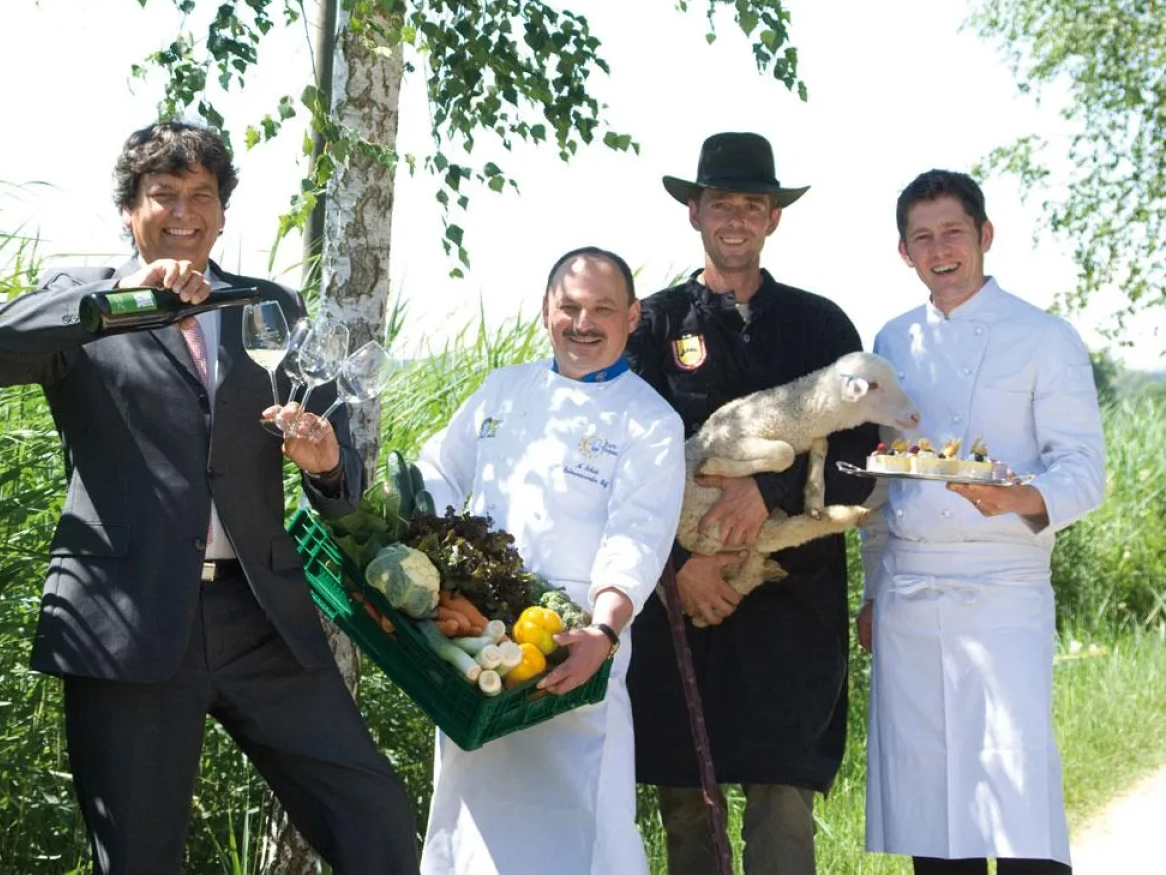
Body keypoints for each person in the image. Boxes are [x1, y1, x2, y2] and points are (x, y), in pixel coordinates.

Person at [0, 121, 419, 875]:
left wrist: (327, 461)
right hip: (130, 619)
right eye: (163, 195)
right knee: (141, 859)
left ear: (222, 211)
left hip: (260, 618)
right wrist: (115, 298)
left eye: (201, 195)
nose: (184, 211)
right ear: (129, 210)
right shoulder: (87, 300)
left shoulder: (268, 306)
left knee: (375, 816)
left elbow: (340, 468)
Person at [624, 131, 879, 875]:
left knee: (783, 813)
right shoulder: (653, 327)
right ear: (694, 215)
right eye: (719, 203)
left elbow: (860, 460)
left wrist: (763, 491)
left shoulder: (822, 327)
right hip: (684, 607)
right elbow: (626, 466)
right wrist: (676, 568)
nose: (734, 217)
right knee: (688, 814)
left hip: (791, 610)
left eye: (751, 204)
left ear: (774, 219)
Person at [858, 169, 1106, 875]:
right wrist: (873, 591)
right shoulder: (893, 339)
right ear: (904, 251)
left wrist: (1018, 497)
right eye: (922, 236)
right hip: (909, 591)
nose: (940, 249)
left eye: (953, 232)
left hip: (1004, 589)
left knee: (1017, 791)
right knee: (930, 806)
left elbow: (1085, 471)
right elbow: (884, 480)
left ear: (985, 236)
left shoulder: (1045, 337)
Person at [415, 247, 686, 875]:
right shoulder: (501, 388)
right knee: (469, 818)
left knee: (583, 827)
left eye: (602, 309)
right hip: (478, 636)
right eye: (569, 307)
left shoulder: (651, 421)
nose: (583, 323)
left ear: (633, 317)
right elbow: (437, 472)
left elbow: (637, 537)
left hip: (575, 646)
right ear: (545, 310)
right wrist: (430, 566)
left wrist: (604, 630)